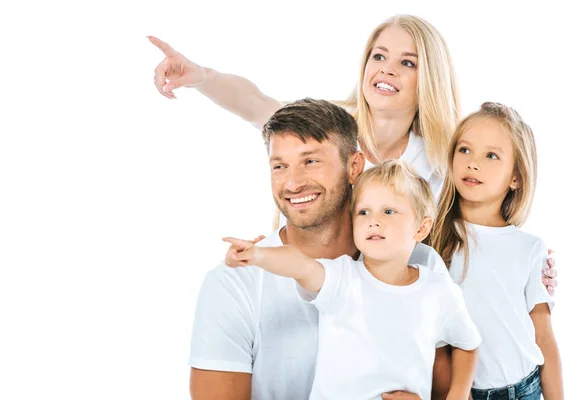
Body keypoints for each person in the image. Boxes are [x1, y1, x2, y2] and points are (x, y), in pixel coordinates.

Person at [148, 14, 558, 293]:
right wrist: (201, 77)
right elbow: (256, 104)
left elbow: (481, 222)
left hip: (393, 307)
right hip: (316, 289)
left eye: (407, 63)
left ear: (428, 77)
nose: (387, 69)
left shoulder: (441, 157)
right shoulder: (331, 125)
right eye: (378, 56)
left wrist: (528, 271)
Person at [189, 98, 452, 399]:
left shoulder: (418, 263)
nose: (293, 183)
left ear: (354, 166)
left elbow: (451, 389)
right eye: (279, 166)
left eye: (310, 161)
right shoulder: (234, 284)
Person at [223, 159, 481, 400]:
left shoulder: (438, 290)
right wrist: (257, 255)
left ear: (421, 228)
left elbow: (468, 344)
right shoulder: (343, 278)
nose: (374, 222)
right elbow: (300, 265)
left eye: (389, 211)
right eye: (363, 212)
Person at [430, 102, 563, 399]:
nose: (473, 163)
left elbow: (544, 337)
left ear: (515, 177)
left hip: (524, 389)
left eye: (491, 155)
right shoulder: (433, 242)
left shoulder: (529, 249)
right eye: (464, 150)